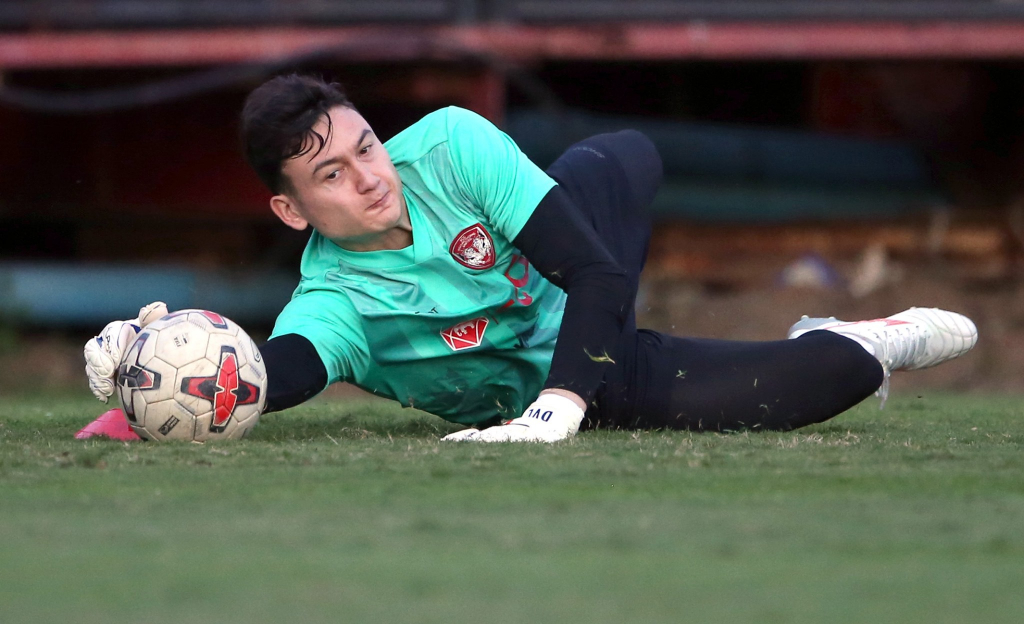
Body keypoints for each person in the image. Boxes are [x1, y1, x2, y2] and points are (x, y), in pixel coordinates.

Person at [84, 74, 978, 443]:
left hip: (575, 328)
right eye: (331, 173)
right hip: (586, 367)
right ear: (289, 208)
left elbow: (592, 272)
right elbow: (267, 375)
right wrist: (138, 380)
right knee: (831, 379)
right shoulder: (333, 303)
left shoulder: (445, 145)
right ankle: (855, 331)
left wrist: (555, 413)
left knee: (618, 158)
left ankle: (570, 388)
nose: (368, 176)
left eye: (364, 146)